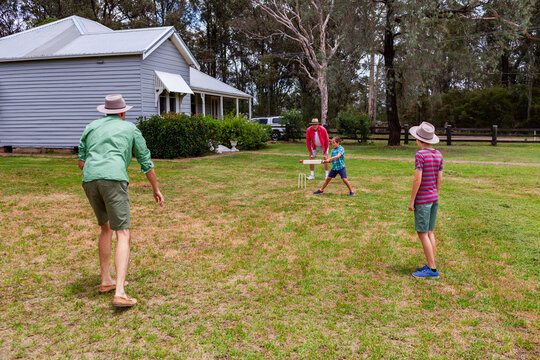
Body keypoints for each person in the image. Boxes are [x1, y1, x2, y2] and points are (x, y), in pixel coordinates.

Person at [78, 94, 164, 307]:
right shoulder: (130, 129)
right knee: (123, 233)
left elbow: (81, 161)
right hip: (113, 178)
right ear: (123, 112)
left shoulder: (91, 127)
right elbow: (146, 162)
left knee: (105, 227)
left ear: (105, 112)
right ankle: (120, 292)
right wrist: (156, 189)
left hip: (89, 179)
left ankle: (107, 280)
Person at [408, 121, 443, 279]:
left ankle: (432, 269)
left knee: (422, 233)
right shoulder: (438, 155)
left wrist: (412, 201)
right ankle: (430, 264)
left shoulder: (420, 155)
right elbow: (439, 177)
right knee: (429, 232)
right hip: (434, 197)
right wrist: (435, 192)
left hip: (423, 200)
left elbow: (417, 179)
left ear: (418, 140)